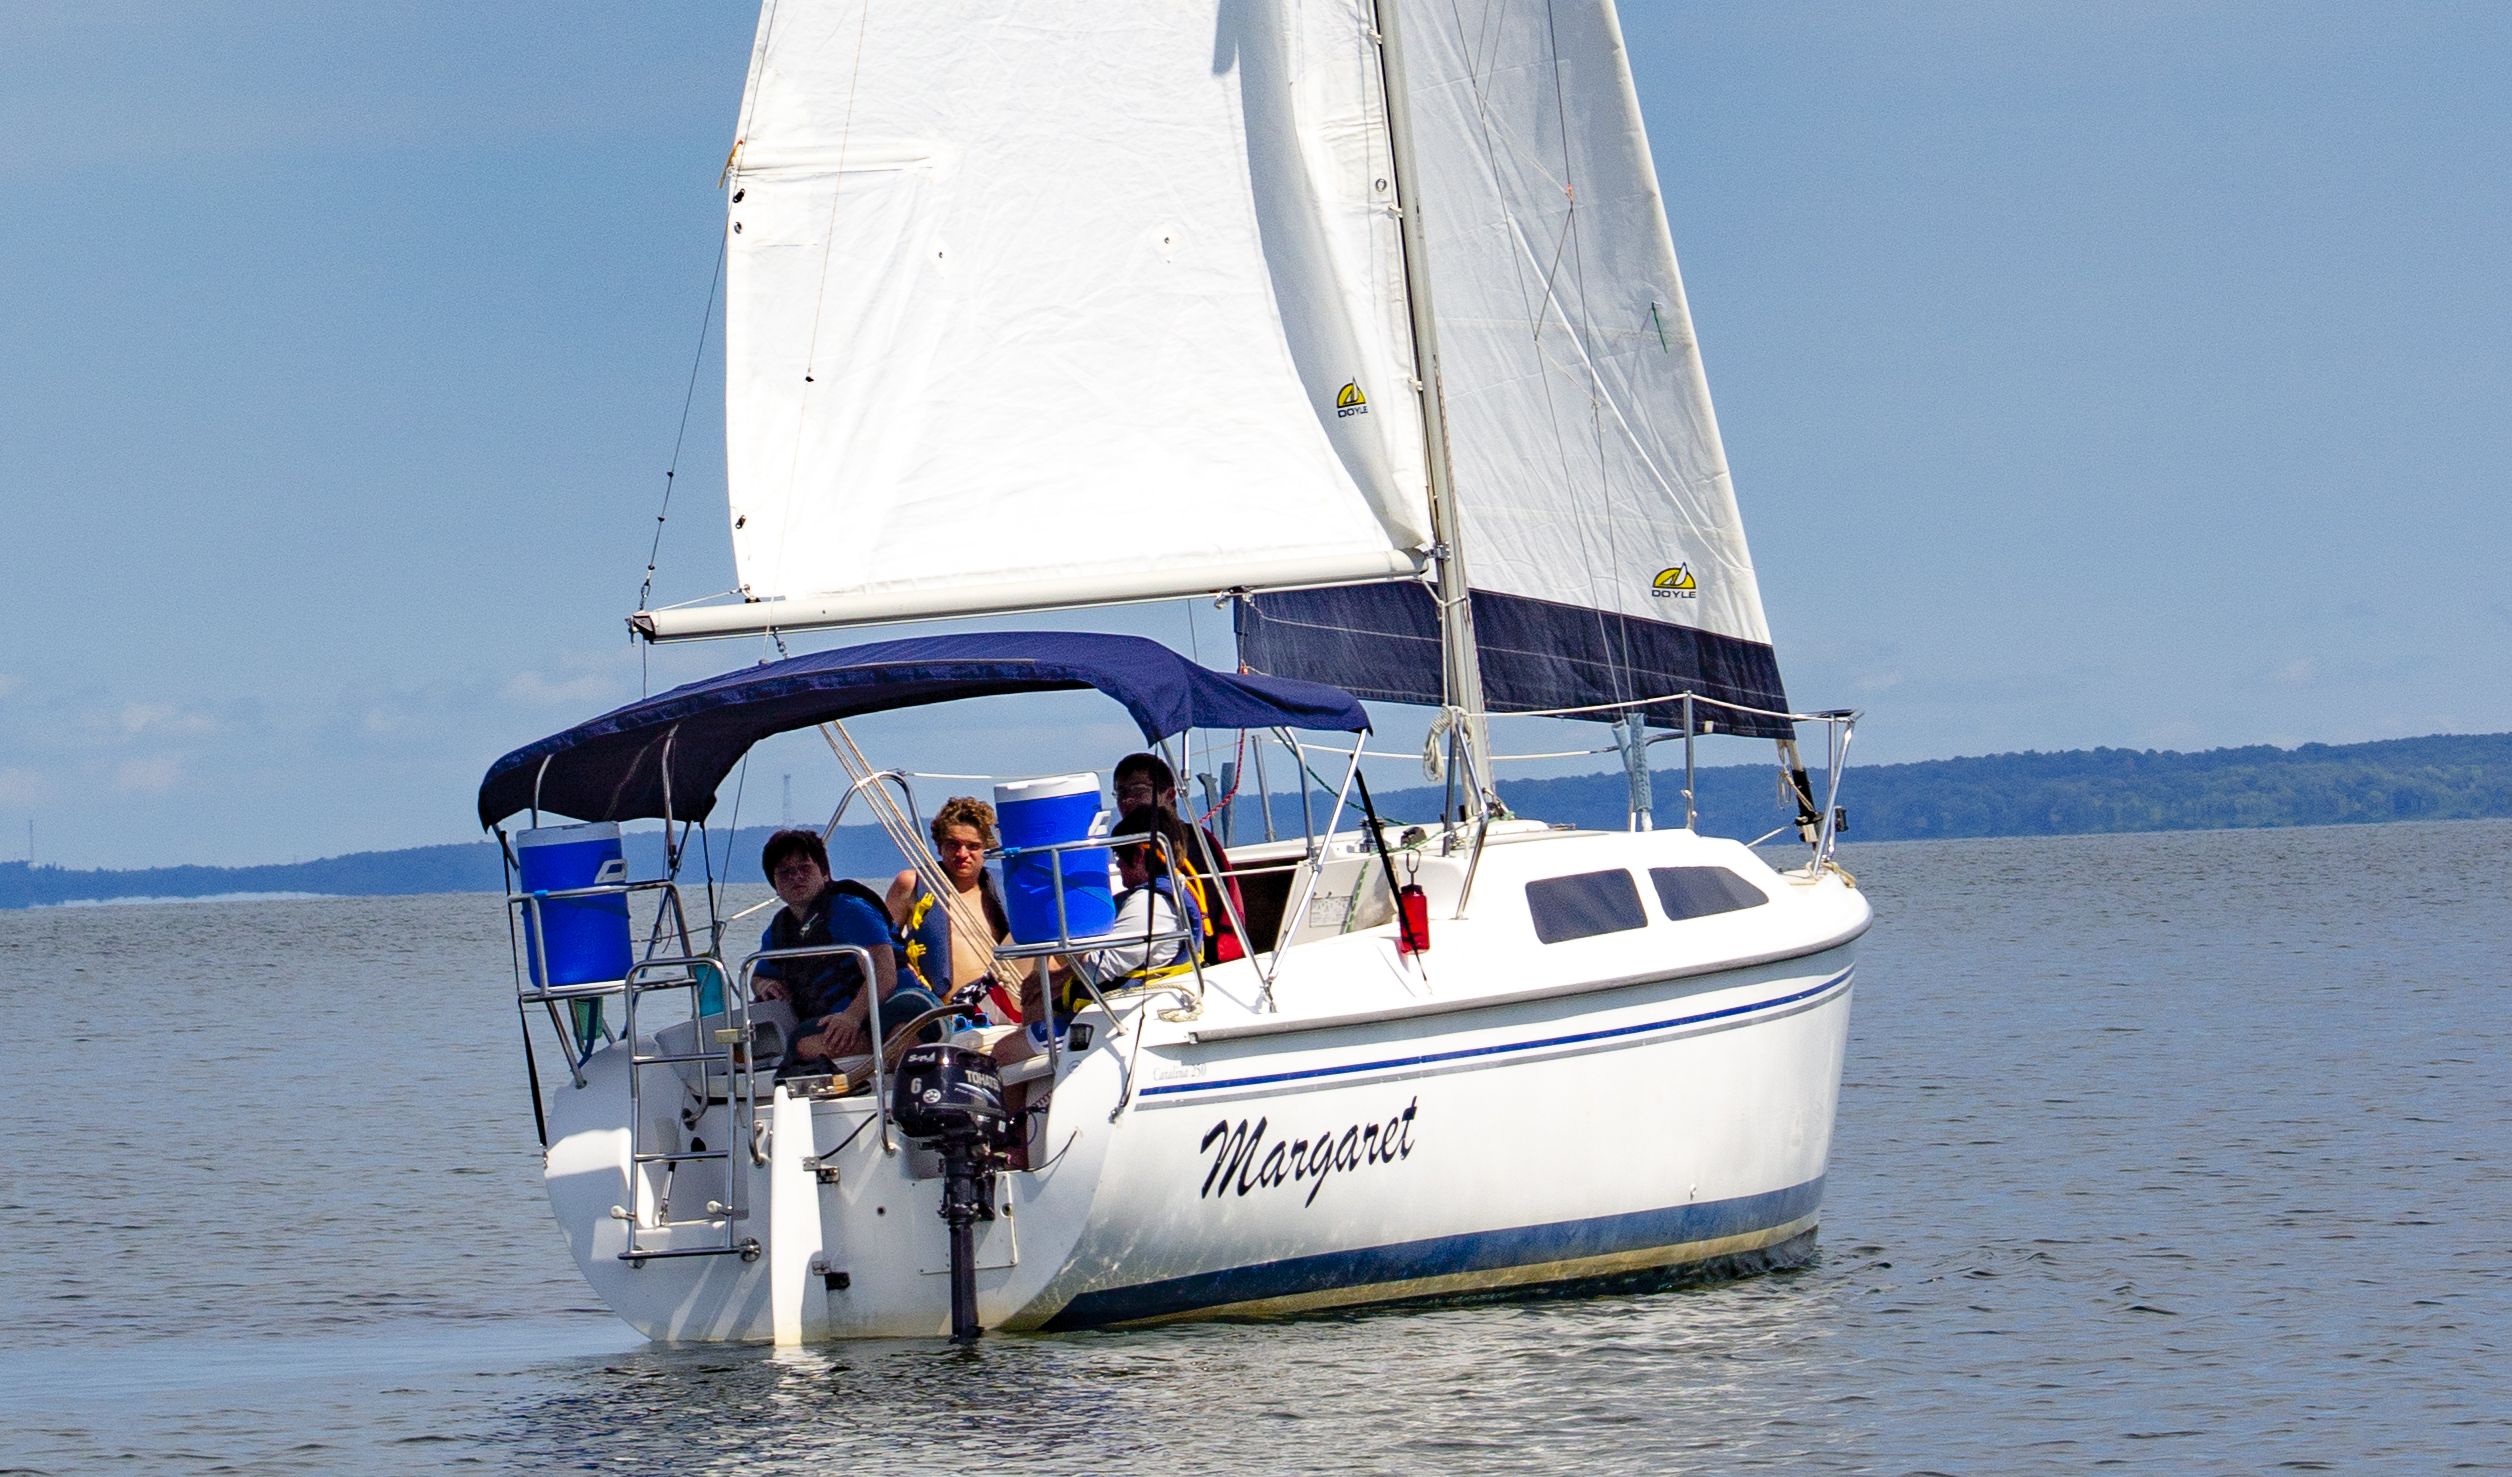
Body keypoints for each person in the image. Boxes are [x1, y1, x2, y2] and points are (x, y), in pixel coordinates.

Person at [752, 829, 940, 1071]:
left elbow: (884, 975)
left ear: (824, 872)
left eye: (805, 868)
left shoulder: (851, 909)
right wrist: (764, 985)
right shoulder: (778, 931)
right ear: (775, 884)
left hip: (899, 1004)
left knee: (900, 1028)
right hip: (842, 1024)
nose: (796, 877)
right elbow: (759, 975)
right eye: (785, 872)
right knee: (801, 1042)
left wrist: (851, 1017)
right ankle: (884, 1058)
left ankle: (900, 1062)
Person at [885, 796, 1026, 1024]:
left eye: (973, 846)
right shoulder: (912, 883)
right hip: (945, 1013)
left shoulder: (1006, 888)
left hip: (1000, 1010)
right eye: (953, 844)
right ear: (939, 846)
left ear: (987, 848)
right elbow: (881, 945)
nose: (962, 854)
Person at [1112, 751, 1245, 963]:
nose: (1127, 799)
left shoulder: (1182, 844)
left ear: (1170, 795)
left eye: (1138, 790)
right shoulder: (1177, 841)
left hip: (1204, 957)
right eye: (1120, 791)